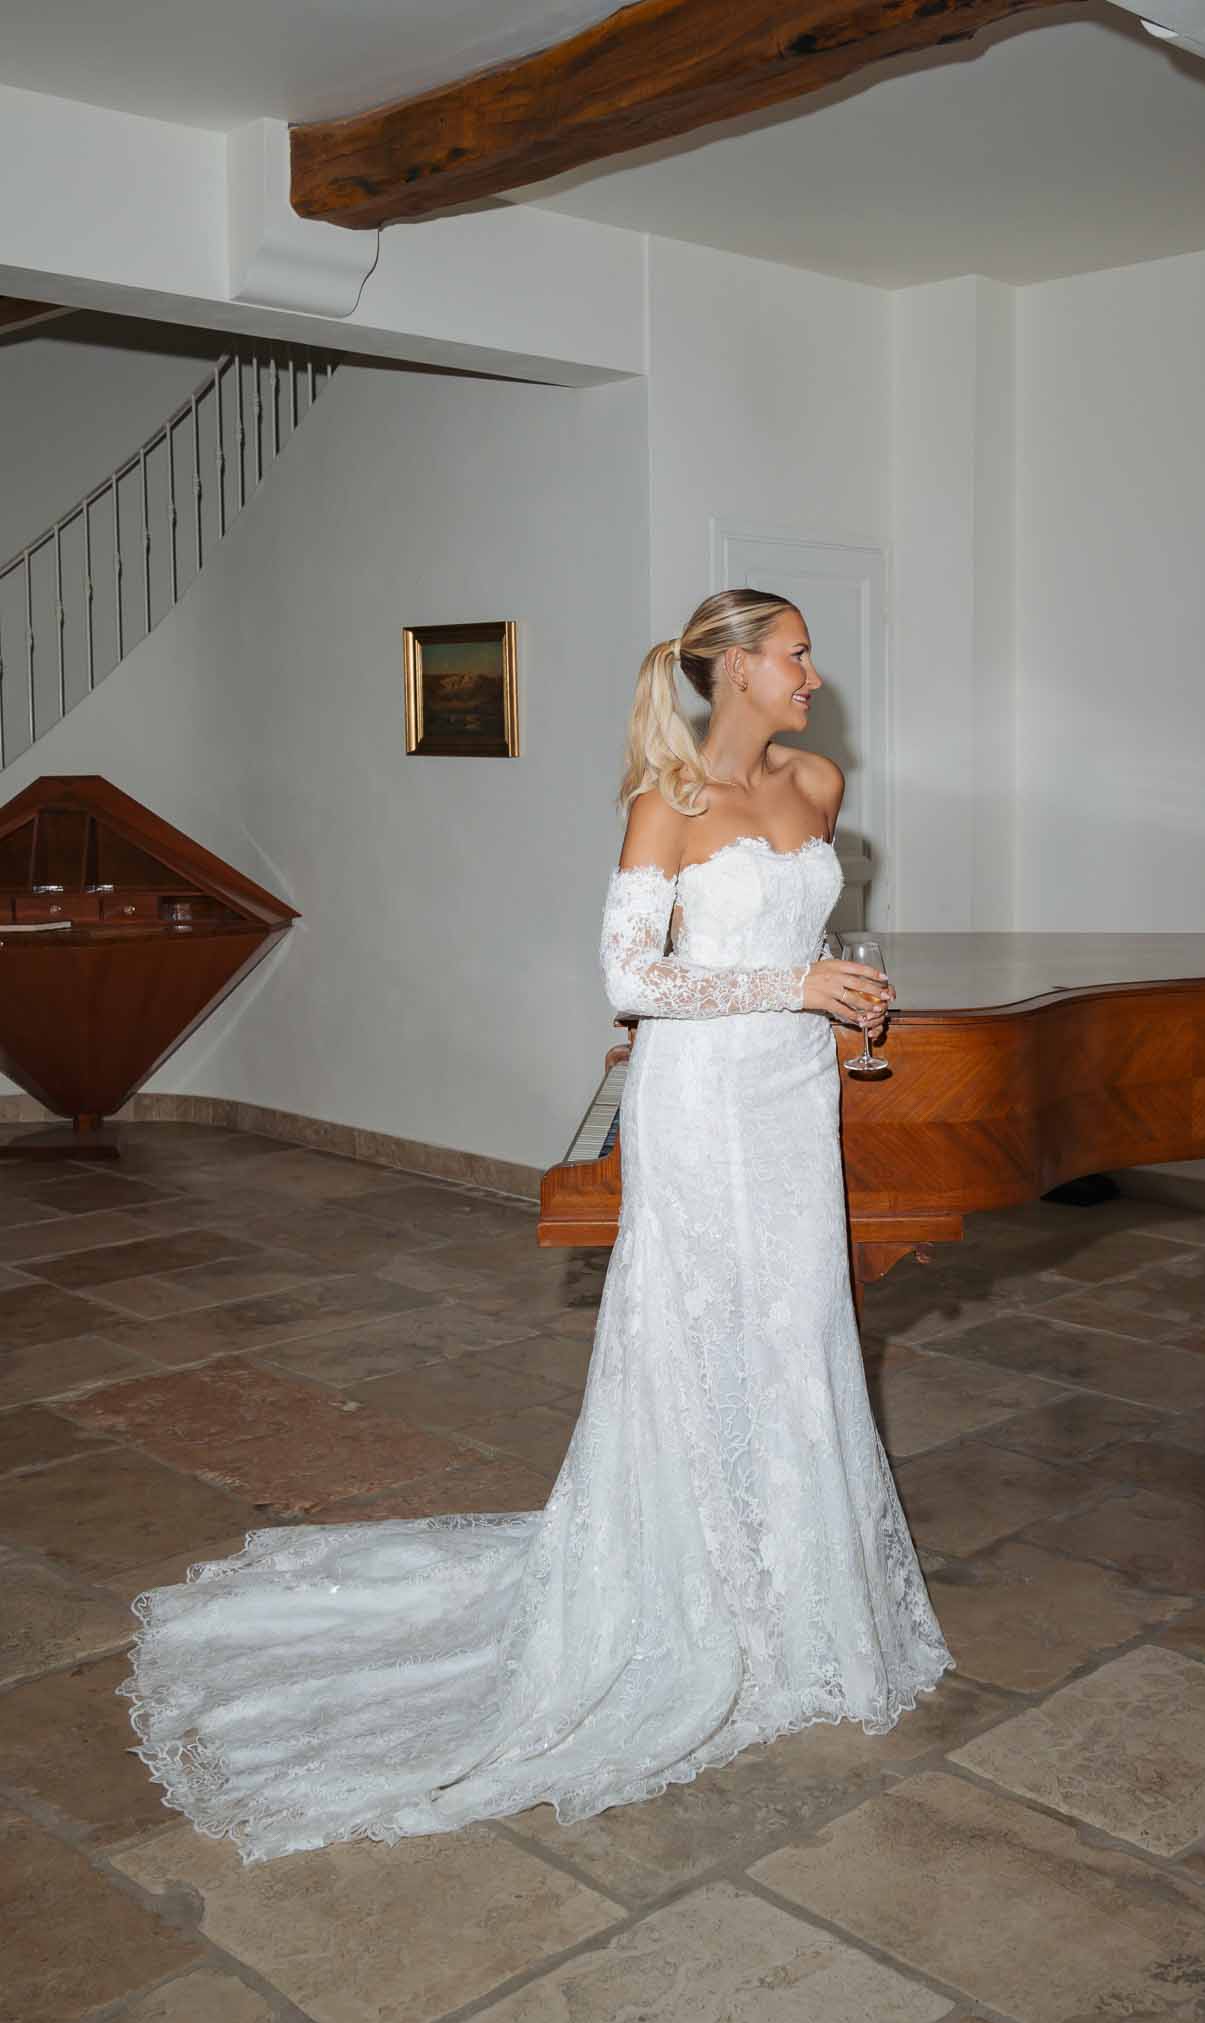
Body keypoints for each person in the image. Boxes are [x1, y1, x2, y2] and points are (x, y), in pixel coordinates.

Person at [119, 587, 953, 1864]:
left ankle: (801, 1599)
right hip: (701, 1103)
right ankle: (697, 1591)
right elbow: (631, 979)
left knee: (801, 1328)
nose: (811, 671)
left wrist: (841, 998)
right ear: (732, 672)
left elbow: (802, 921)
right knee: (698, 1332)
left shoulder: (820, 781)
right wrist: (796, 982)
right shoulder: (662, 806)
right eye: (792, 654)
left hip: (792, 1097)